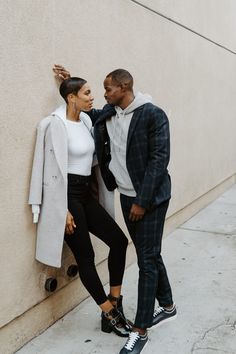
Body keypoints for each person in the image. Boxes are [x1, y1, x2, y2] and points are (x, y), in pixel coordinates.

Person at [53, 65, 177, 354]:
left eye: (108, 88)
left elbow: (159, 161)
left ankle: (140, 330)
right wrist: (68, 81)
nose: (103, 93)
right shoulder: (109, 113)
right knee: (150, 252)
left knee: (146, 260)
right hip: (125, 197)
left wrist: (141, 202)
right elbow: (83, 109)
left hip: (150, 200)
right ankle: (168, 305)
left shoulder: (153, 115)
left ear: (124, 87)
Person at [28, 77, 132, 338]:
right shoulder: (55, 125)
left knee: (118, 242)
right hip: (67, 199)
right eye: (87, 93)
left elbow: (93, 157)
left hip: (86, 194)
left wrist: (69, 78)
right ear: (71, 97)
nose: (92, 97)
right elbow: (49, 173)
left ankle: (115, 300)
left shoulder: (86, 120)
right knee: (86, 257)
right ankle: (108, 312)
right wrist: (60, 208)